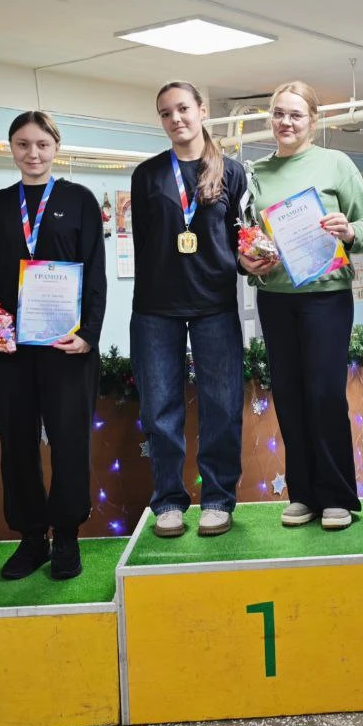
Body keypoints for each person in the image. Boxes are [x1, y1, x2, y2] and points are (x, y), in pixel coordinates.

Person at [0, 111, 106, 579]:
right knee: (17, 444)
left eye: (42, 144)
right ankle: (31, 537)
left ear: (55, 147)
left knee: (69, 442)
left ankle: (66, 536)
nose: (33, 153)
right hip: (9, 349)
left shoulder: (79, 200)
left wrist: (88, 335)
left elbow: (96, 274)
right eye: (23, 144)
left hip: (66, 347)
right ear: (11, 148)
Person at [239, 80, 363, 530]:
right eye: (279, 113)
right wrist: (248, 261)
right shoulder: (256, 173)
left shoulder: (336, 164)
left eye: (296, 114)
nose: (286, 122)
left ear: (314, 121)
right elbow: (247, 236)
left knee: (323, 394)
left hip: (325, 298)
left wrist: (349, 231)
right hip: (275, 298)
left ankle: (337, 495)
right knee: (289, 395)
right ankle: (302, 494)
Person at [131, 81, 247, 539]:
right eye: (165, 113)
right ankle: (168, 501)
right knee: (160, 408)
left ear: (202, 110)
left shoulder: (231, 172)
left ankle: (217, 498)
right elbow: (145, 244)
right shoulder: (147, 174)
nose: (175, 118)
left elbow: (240, 239)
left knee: (222, 405)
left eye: (182, 108)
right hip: (155, 308)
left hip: (214, 304)